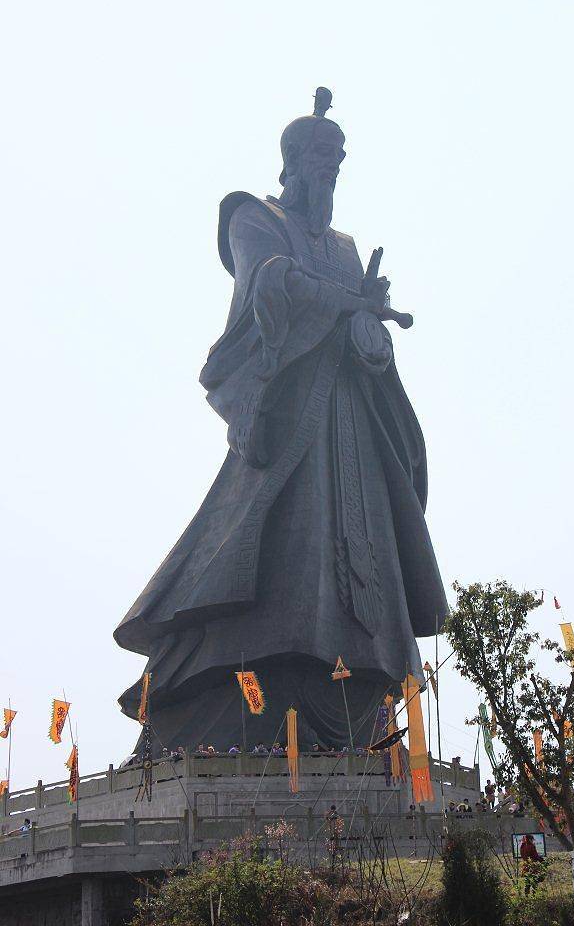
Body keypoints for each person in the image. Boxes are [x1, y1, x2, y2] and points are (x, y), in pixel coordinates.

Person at [114, 88, 448, 755]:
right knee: (274, 540)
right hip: (288, 408)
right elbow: (269, 282)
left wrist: (369, 326)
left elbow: (360, 326)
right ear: (291, 162)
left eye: (337, 164)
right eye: (319, 161)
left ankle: (356, 693)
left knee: (362, 544)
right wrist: (345, 302)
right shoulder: (251, 216)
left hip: (349, 420)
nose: (329, 174)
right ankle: (241, 691)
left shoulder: (346, 248)